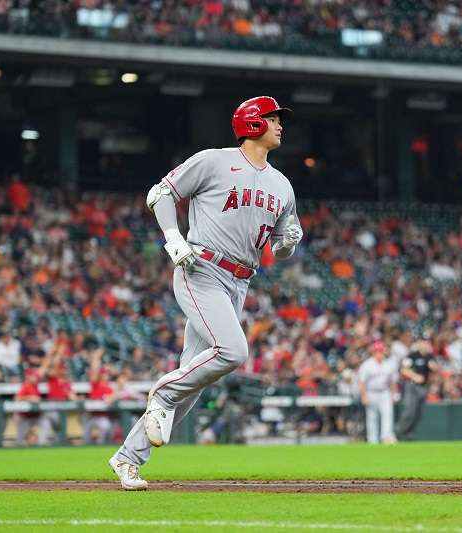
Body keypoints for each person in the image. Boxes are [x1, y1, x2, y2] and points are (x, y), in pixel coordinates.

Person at [109, 96, 302, 490]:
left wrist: (287, 245)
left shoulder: (282, 184)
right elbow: (159, 194)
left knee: (193, 385)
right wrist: (173, 238)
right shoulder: (214, 160)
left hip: (240, 280)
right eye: (273, 118)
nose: (281, 124)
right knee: (233, 352)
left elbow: (281, 246)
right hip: (202, 268)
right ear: (252, 122)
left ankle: (127, 459)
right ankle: (161, 392)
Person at [395, 335, 435, 440]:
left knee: (418, 413)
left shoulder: (429, 356)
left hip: (424, 387)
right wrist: (414, 376)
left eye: (427, 342)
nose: (425, 344)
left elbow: (435, 370)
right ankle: (398, 433)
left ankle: (409, 434)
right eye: (423, 342)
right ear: (418, 343)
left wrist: (434, 368)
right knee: (409, 411)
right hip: (412, 386)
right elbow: (403, 370)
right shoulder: (413, 355)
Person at [358, 340, 398, 444]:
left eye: (381, 351)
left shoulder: (389, 364)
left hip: (385, 392)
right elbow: (362, 382)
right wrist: (364, 396)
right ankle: (373, 441)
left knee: (387, 415)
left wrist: (393, 394)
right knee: (372, 418)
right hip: (371, 392)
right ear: (373, 352)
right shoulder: (367, 365)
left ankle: (386, 438)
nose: (379, 353)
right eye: (377, 351)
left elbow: (393, 381)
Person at [14, 367, 42, 446]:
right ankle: (16, 451)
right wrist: (29, 397)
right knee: (21, 437)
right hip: (22, 416)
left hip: (32, 415)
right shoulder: (26, 385)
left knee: (41, 427)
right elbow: (17, 398)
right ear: (28, 376)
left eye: (35, 376)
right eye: (33, 376)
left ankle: (40, 445)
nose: (35, 377)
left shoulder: (35, 386)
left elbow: (43, 369)